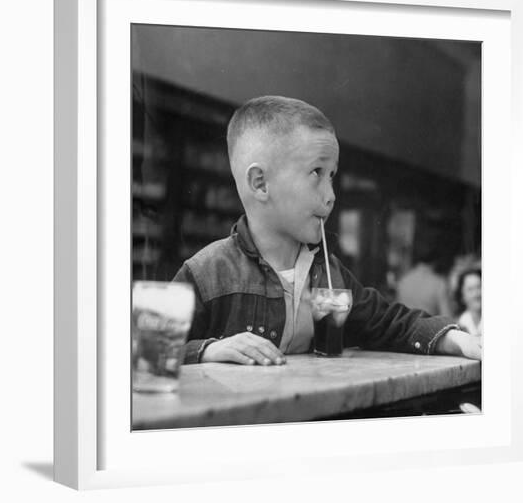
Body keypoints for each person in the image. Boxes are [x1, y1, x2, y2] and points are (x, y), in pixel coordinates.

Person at [173, 96, 482, 365]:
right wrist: (209, 350)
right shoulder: (207, 272)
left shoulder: (329, 272)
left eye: (332, 175)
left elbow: (389, 323)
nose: (331, 194)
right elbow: (143, 348)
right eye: (316, 173)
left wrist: (460, 340)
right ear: (260, 183)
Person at [454, 268, 482, 336]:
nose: (476, 294)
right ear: (462, 296)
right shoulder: (457, 326)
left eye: (479, 287)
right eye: (470, 290)